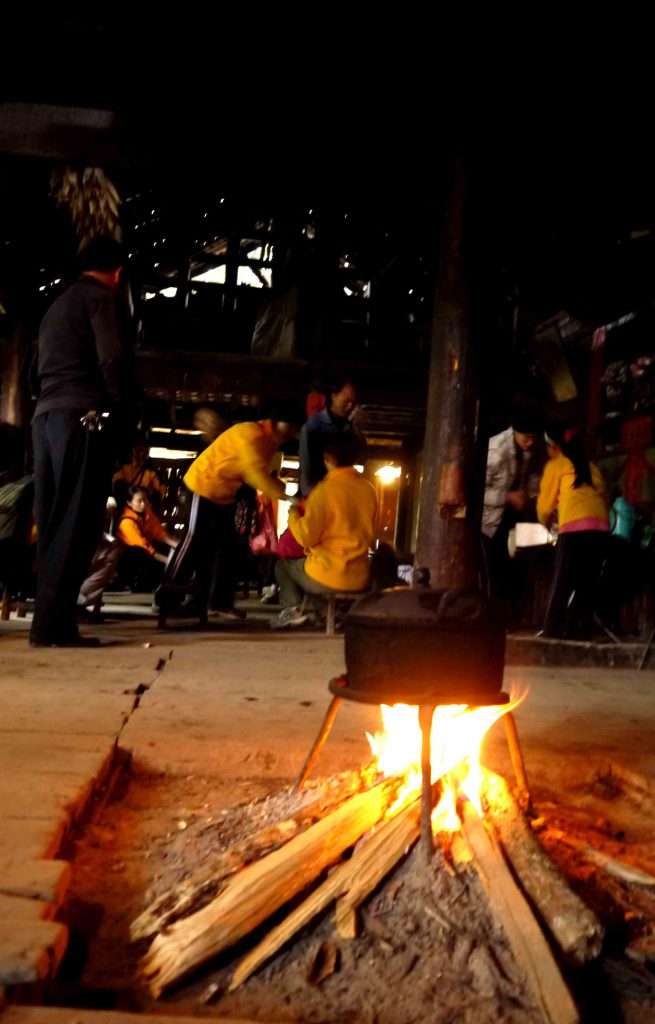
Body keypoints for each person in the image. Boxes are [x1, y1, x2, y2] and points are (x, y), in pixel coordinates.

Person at [29, 236, 133, 648]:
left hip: (46, 418)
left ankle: (47, 623)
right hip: (82, 417)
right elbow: (111, 359)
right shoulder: (101, 299)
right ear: (118, 273)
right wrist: (122, 410)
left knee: (54, 521)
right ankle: (53, 627)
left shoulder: (56, 306)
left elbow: (33, 371)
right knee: (77, 522)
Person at [155, 402, 303, 623]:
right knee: (193, 541)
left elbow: (259, 473)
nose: (291, 432)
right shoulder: (252, 434)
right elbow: (255, 475)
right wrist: (287, 496)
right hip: (203, 485)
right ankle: (166, 598)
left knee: (227, 547)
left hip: (224, 494)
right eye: (289, 426)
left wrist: (283, 491)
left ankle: (215, 601)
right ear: (275, 422)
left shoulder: (268, 441)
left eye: (294, 428)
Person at [272, 434, 377, 629]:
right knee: (309, 569)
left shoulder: (324, 491)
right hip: (361, 575)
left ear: (329, 459)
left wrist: (293, 514)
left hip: (328, 574)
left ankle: (291, 610)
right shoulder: (368, 489)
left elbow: (305, 537)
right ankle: (326, 615)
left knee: (285, 566)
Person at [537, 424, 610, 639]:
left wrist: (546, 523)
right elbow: (603, 498)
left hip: (574, 529)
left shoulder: (556, 465)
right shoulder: (592, 466)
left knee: (562, 581)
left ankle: (551, 630)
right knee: (587, 583)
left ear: (554, 447)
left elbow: (544, 507)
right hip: (600, 530)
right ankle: (578, 630)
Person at [481, 406, 544, 625]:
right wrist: (507, 497)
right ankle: (490, 622)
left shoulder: (526, 449)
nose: (531, 442)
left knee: (510, 570)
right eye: (527, 437)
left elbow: (525, 479)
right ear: (515, 431)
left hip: (508, 521)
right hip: (488, 524)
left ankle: (506, 619)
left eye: (534, 437)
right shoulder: (496, 451)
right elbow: (476, 491)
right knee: (491, 573)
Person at [298, 377, 360, 495]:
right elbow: (306, 463)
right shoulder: (314, 425)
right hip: (318, 490)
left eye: (353, 403)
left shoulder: (349, 427)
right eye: (346, 401)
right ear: (334, 397)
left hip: (339, 490)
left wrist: (358, 431)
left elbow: (362, 458)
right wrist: (310, 494)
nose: (350, 406)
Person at [112, 440, 166, 513]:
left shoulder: (153, 472)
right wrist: (142, 491)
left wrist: (147, 493)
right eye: (139, 450)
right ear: (133, 450)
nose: (142, 454)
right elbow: (118, 487)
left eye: (145, 451)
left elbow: (159, 494)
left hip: (145, 513)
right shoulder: (123, 467)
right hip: (126, 511)